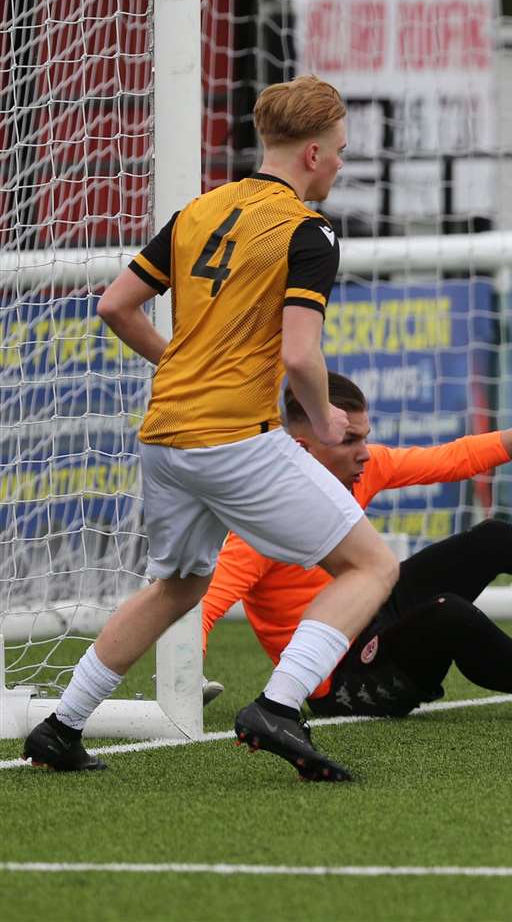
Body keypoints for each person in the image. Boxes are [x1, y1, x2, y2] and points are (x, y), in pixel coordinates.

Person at [24, 76, 400, 782]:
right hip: (233, 438)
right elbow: (298, 352)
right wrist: (323, 418)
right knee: (372, 566)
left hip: (166, 434)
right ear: (314, 153)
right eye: (342, 152)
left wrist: (184, 364)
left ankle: (60, 726)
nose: (342, 165)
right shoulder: (308, 231)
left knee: (178, 585)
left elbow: (114, 305)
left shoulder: (200, 211)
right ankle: (279, 706)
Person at [199, 370, 512, 722]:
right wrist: (184, 681)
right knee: (448, 614)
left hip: (377, 618)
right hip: (342, 682)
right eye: (349, 439)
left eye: (365, 436)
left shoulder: (361, 470)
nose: (364, 451)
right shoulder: (260, 526)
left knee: (490, 538)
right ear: (303, 445)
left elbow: (452, 458)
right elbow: (202, 605)